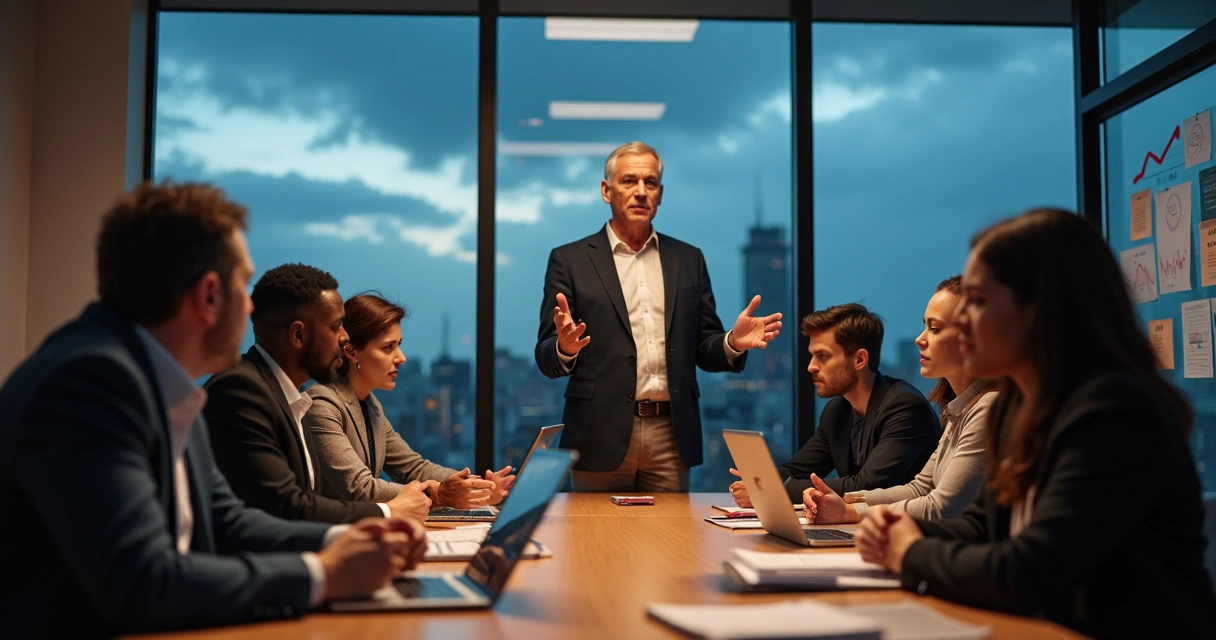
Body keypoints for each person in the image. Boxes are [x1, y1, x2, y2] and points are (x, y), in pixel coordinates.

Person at [0, 182, 427, 636]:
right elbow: (143, 584)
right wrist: (322, 574)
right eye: (243, 285)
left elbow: (227, 522)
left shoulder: (161, 385)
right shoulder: (89, 383)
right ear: (208, 296)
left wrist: (353, 539)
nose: (250, 307)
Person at [855, 209, 1216, 638]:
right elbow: (984, 528)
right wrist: (901, 530)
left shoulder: (1115, 410)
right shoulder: (1017, 406)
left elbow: (1029, 572)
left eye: (978, 301)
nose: (962, 320)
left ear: (1041, 310)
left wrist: (910, 553)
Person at [535, 141, 783, 492]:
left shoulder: (688, 259)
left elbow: (704, 347)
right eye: (629, 181)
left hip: (672, 433)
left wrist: (732, 342)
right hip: (598, 432)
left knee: (672, 529)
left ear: (660, 194)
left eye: (650, 182)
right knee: (595, 529)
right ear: (606, 191)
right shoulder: (570, 260)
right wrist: (564, 348)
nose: (641, 191)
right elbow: (545, 356)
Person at [204, 264, 437, 523]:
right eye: (336, 326)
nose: (345, 338)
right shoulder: (242, 391)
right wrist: (390, 511)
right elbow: (287, 507)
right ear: (298, 335)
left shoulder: (290, 397)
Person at [801, 276, 996, 524]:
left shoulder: (988, 408)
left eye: (935, 329)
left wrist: (851, 512)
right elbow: (920, 488)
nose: (920, 339)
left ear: (972, 338)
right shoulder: (958, 411)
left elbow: (941, 507)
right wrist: (846, 504)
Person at [304, 293, 513, 507]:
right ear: (352, 352)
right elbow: (359, 488)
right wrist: (438, 493)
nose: (401, 357)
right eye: (388, 347)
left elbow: (413, 468)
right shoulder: (321, 404)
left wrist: (478, 487)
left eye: (399, 345)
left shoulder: (371, 405)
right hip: (330, 528)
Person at [730, 303, 939, 505]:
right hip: (859, 525)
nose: (811, 366)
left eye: (822, 356)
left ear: (860, 359)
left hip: (907, 527)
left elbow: (866, 487)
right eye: (812, 355)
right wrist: (759, 483)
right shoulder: (838, 410)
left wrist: (771, 490)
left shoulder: (905, 408)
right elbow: (797, 470)